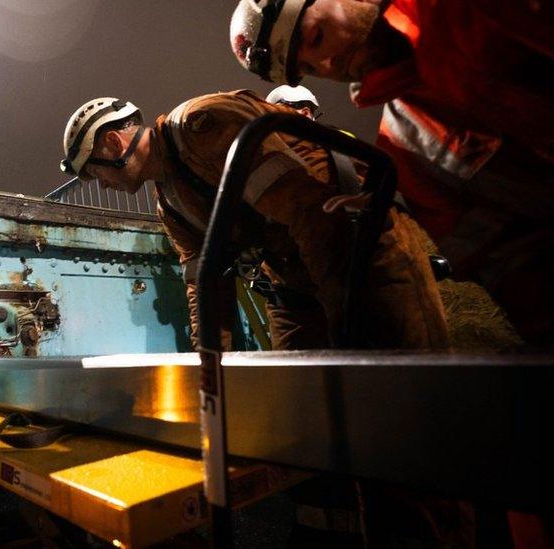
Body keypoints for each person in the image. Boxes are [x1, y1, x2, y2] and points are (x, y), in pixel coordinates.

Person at [229, 0, 554, 345]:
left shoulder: (458, 13)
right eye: (310, 67)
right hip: (302, 296)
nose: (328, 64)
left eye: (317, 37)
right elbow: (508, 265)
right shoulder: (404, 148)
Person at [59, 94, 447, 351]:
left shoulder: (202, 128)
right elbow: (205, 283)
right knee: (307, 408)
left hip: (361, 252)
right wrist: (211, 359)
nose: (102, 186)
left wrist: (342, 315)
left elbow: (310, 212)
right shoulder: (171, 204)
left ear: (112, 145)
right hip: (297, 280)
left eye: (94, 174)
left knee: (408, 397)